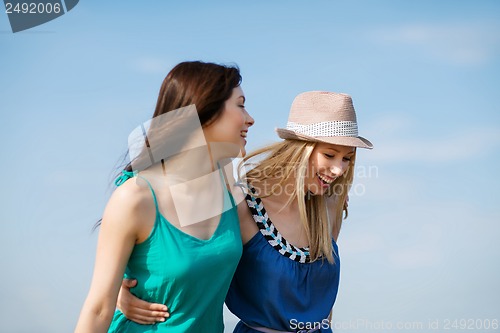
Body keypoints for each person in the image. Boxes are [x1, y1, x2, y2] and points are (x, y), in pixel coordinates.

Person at [118, 91, 373, 332]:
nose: (339, 169)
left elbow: (320, 298)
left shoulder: (331, 204)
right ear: (298, 150)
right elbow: (163, 215)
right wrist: (122, 285)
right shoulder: (241, 195)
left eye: (347, 158)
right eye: (329, 154)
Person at [74, 61, 255, 333]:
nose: (250, 118)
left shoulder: (232, 190)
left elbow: (286, 237)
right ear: (205, 112)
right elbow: (99, 308)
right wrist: (121, 290)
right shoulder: (135, 198)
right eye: (240, 105)